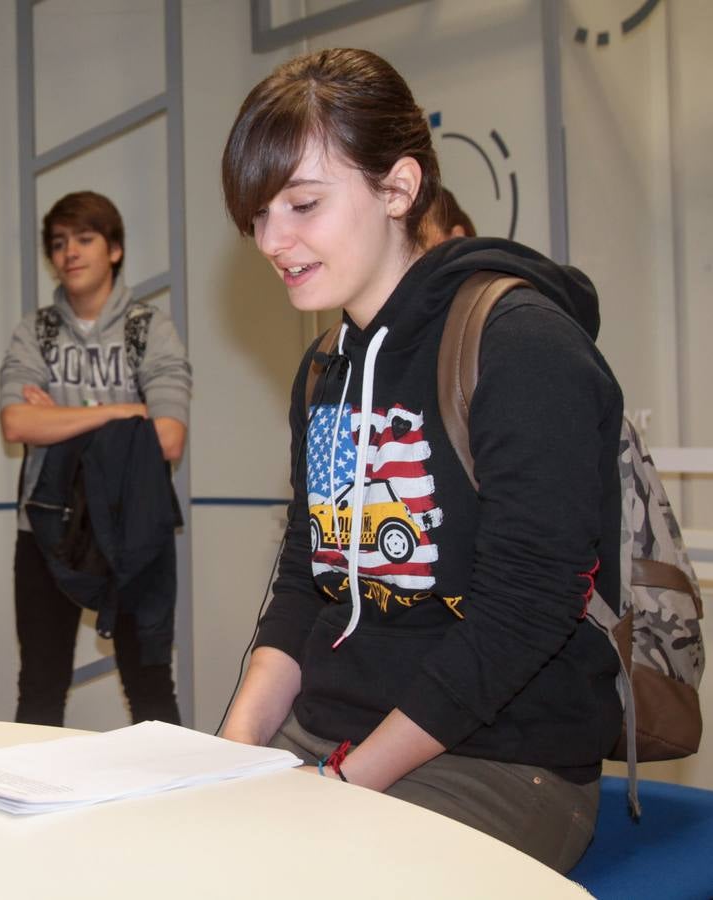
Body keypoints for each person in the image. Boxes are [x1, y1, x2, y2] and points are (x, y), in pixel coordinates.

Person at [216, 48, 621, 873]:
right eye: (258, 215)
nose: (272, 240)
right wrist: (231, 754)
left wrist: (347, 781)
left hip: (500, 759)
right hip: (332, 736)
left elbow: (525, 613)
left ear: (398, 188)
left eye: (302, 204)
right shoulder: (325, 367)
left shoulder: (521, 345)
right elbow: (305, 578)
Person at [0, 191, 191, 727]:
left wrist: (60, 418)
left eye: (84, 239)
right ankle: (29, 805)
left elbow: (168, 438)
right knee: (40, 686)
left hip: (134, 529)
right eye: (58, 243)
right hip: (45, 529)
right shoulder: (34, 330)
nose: (70, 253)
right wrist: (127, 412)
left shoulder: (148, 329)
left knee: (150, 684)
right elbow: (17, 424)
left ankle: (171, 805)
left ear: (115, 249)